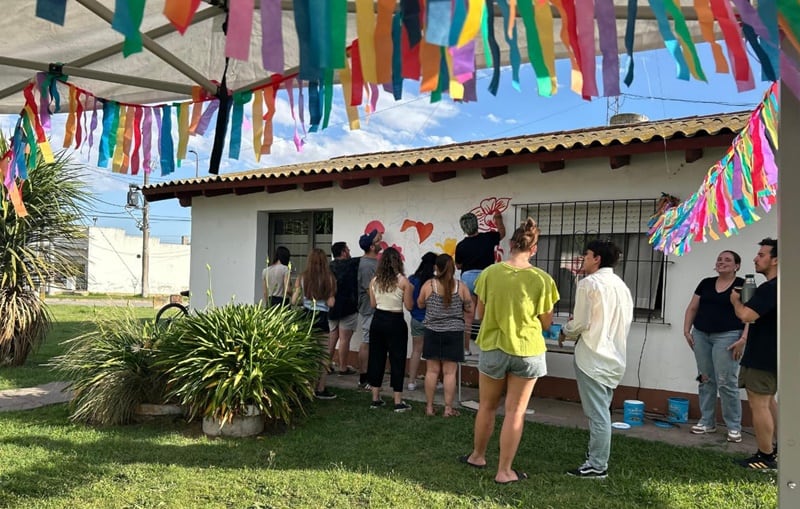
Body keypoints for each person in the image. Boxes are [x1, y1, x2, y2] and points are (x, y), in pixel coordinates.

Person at [460, 218, 558, 484]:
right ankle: (504, 471)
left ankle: (478, 456)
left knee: (487, 407)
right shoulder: (543, 279)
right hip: (527, 350)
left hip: (493, 347)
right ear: (534, 249)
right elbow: (546, 322)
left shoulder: (489, 274)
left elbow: (480, 313)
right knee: (515, 412)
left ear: (511, 244)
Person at [559, 239, 633, 479]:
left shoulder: (589, 283)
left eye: (587, 255)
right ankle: (596, 457)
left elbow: (580, 322)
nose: (583, 259)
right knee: (602, 411)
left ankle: (597, 465)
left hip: (592, 357)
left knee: (598, 415)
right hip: (614, 357)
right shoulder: (621, 286)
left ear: (597, 258)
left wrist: (564, 331)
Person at [683, 250, 747, 443]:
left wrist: (744, 338)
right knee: (705, 379)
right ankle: (707, 422)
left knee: (726, 381)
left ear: (737, 265)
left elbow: (750, 315)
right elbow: (693, 307)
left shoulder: (742, 285)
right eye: (719, 259)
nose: (722, 262)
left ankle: (734, 426)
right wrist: (687, 330)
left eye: (727, 260)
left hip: (728, 337)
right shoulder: (706, 283)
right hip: (701, 335)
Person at [731, 237, 778, 470]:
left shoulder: (771, 287)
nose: (756, 259)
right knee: (768, 402)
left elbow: (747, 316)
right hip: (773, 353)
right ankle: (777, 449)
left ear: (776, 259)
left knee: (759, 404)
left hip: (763, 354)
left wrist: (736, 302)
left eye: (761, 255)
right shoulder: (783, 285)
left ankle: (765, 456)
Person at [417, 253, 473, 417]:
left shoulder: (429, 285)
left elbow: (420, 304)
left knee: (432, 371)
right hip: (454, 333)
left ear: (436, 267)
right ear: (453, 267)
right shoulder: (461, 286)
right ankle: (448, 409)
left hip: (432, 332)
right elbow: (469, 308)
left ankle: (429, 407)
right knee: (450, 373)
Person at [367, 247, 415, 412]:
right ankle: (397, 400)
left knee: (376, 358)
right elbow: (409, 306)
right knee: (397, 359)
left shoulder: (374, 281)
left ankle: (375, 398)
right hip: (396, 321)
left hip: (378, 320)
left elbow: (373, 304)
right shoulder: (403, 282)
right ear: (398, 262)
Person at [455, 211, 505, 354]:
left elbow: (458, 265)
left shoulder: (461, 245)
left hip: (468, 278)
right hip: (485, 277)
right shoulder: (488, 237)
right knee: (487, 313)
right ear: (477, 224)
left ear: (463, 228)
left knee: (468, 316)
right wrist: (498, 219)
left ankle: (465, 348)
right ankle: (487, 346)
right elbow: (502, 233)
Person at [292, 248, 337, 400]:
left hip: (307, 317)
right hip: (322, 318)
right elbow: (331, 303)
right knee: (323, 355)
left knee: (309, 353)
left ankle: (308, 387)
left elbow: (294, 301)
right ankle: (321, 388)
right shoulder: (329, 278)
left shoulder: (302, 277)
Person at [328, 241, 359, 376]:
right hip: (348, 306)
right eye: (347, 249)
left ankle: (326, 365)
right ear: (343, 252)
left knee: (333, 336)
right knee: (344, 338)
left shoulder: (329, 267)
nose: (349, 251)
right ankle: (342, 367)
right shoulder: (351, 265)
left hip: (332, 306)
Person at [407, 252, 437, 391]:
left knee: (416, 351)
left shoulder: (412, 279)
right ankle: (435, 381)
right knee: (433, 353)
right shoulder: (435, 281)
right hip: (432, 320)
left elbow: (409, 300)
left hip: (416, 319)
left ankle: (411, 381)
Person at [357, 229, 382, 390]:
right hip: (369, 308)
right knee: (366, 341)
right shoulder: (366, 265)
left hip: (376, 307)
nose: (381, 243)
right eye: (378, 241)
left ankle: (371, 374)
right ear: (372, 247)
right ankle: (363, 377)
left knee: (373, 342)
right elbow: (369, 289)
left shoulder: (374, 262)